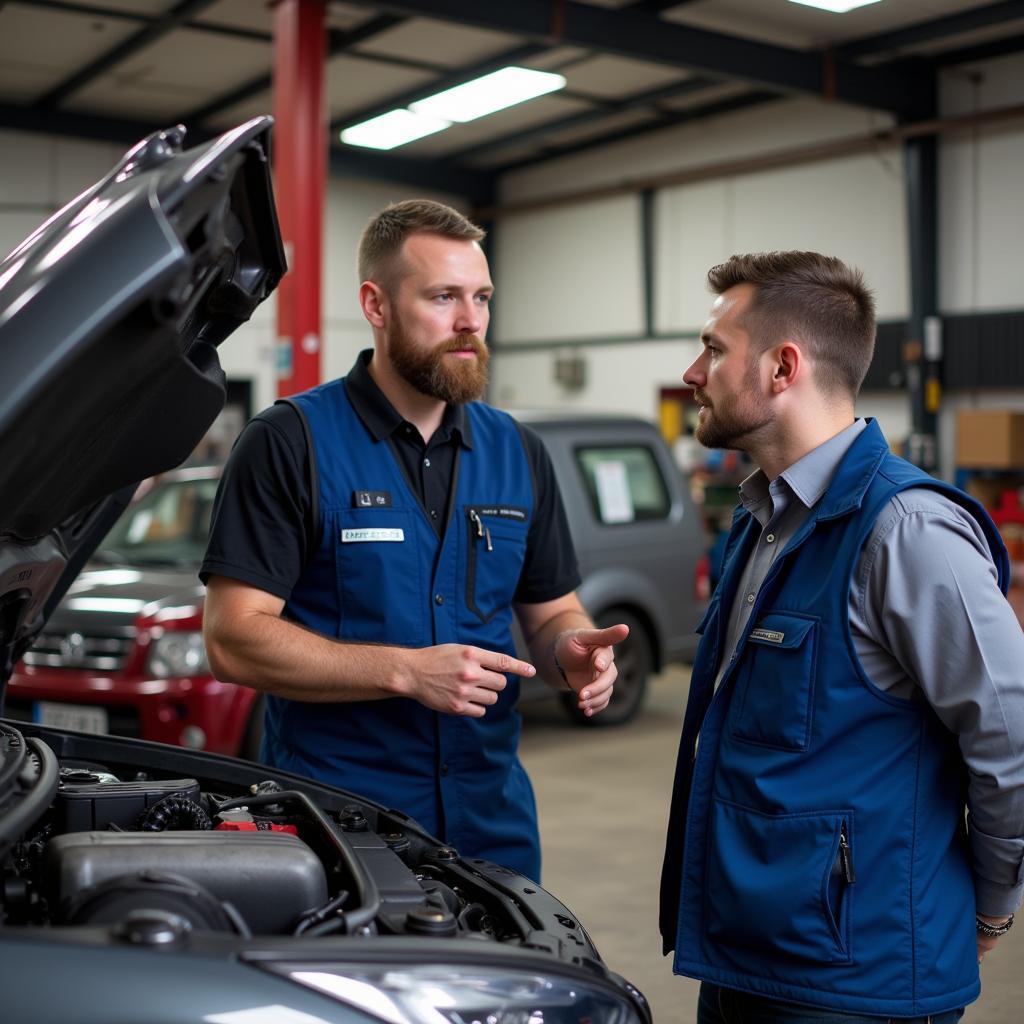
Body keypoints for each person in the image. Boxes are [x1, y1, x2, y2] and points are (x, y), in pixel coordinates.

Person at [200, 199, 626, 882]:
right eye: (443, 297)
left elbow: (551, 613)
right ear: (376, 304)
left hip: (492, 833)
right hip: (338, 835)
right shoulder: (288, 443)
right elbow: (232, 638)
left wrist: (572, 652)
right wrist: (403, 671)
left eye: (481, 297)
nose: (472, 322)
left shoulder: (518, 451)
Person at [659, 251, 1024, 1022]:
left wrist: (989, 905)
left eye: (715, 348)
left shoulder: (908, 531)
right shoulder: (762, 519)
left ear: (783, 366)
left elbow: (1011, 738)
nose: (695, 372)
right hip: (748, 954)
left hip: (858, 984)